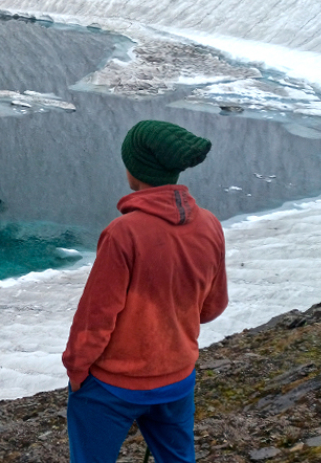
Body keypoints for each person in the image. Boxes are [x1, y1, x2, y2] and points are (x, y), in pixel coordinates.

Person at [62, 120, 228, 463]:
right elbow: (213, 307)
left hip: (114, 386)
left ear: (133, 170)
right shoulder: (209, 224)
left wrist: (77, 371)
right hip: (177, 378)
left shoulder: (124, 233)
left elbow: (95, 320)